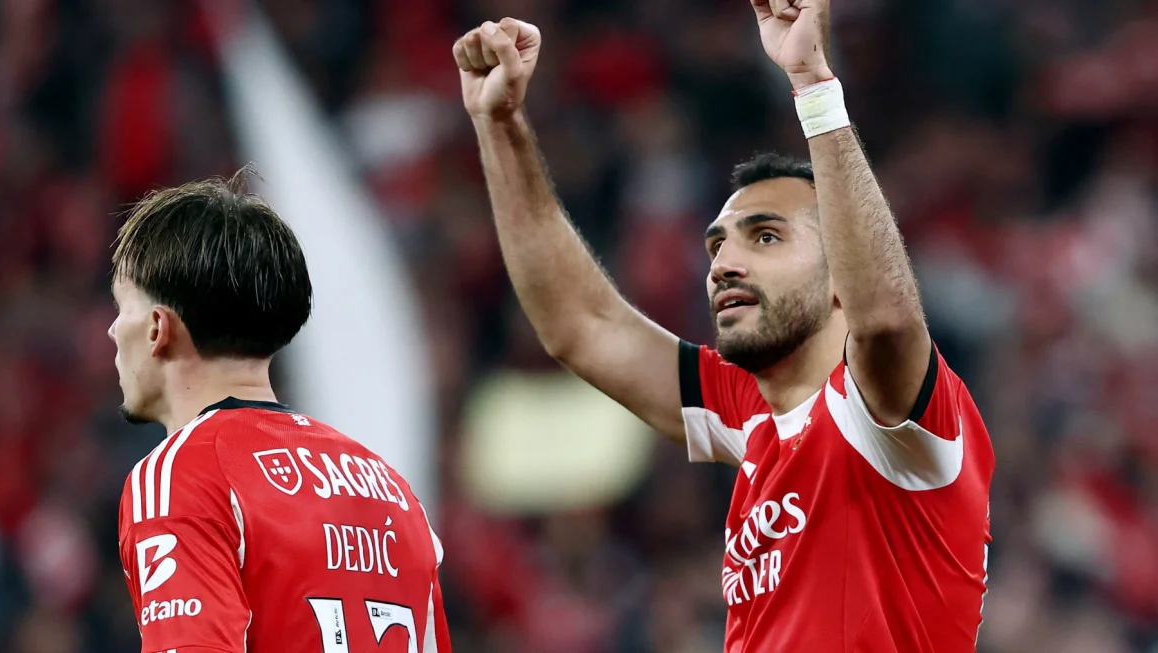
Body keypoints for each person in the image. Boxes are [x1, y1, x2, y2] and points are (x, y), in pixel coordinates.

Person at [452, 1, 993, 650]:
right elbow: (582, 326)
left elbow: (882, 318)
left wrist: (813, 86)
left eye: (764, 237)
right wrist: (499, 123)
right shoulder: (748, 408)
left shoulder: (894, 416)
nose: (724, 264)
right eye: (715, 246)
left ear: (838, 279)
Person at [109, 168, 450, 653]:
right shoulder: (393, 491)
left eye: (123, 308)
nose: (112, 331)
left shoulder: (180, 476)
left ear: (157, 328)